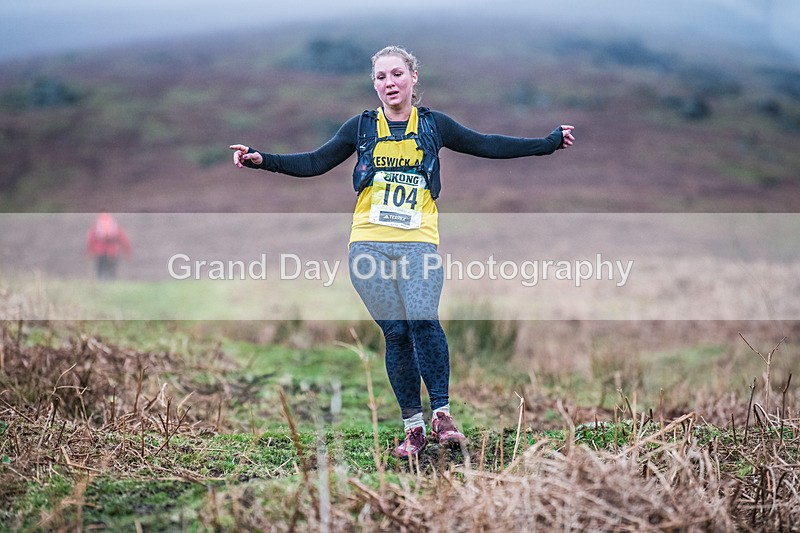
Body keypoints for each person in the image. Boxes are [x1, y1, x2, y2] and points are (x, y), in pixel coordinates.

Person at [230, 45, 575, 458]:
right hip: (368, 245)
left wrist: (548, 143)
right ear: (374, 84)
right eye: (380, 77)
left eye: (396, 75)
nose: (389, 83)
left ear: (413, 78)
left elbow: (488, 144)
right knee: (396, 332)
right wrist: (260, 159)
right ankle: (412, 427)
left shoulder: (435, 125)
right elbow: (314, 162)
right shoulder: (360, 127)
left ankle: (442, 416)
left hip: (418, 243)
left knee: (423, 320)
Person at [85, 212, 132, 280]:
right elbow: (123, 239)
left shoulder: (96, 227)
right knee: (111, 270)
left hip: (101, 252)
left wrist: (89, 251)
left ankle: (102, 282)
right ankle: (110, 282)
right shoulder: (115, 227)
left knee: (101, 270)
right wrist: (127, 251)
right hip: (112, 252)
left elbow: (90, 240)